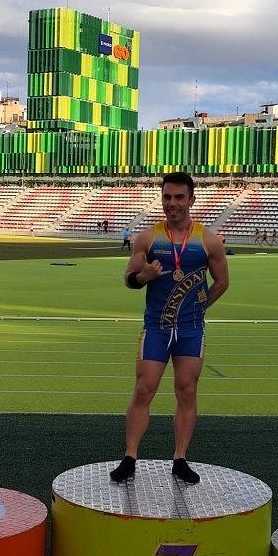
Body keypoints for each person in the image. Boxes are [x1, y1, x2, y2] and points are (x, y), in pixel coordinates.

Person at [110, 172, 230, 485]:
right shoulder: (148, 238)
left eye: (178, 197)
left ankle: (179, 458)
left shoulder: (208, 240)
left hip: (191, 331)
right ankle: (130, 457)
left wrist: (199, 308)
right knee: (144, 389)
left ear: (191, 199)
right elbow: (129, 279)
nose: (172, 204)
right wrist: (144, 276)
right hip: (157, 328)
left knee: (187, 391)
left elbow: (222, 282)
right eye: (167, 197)